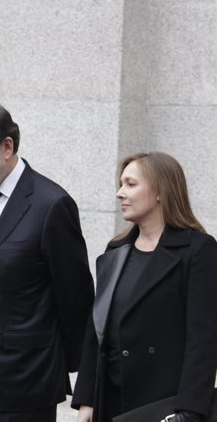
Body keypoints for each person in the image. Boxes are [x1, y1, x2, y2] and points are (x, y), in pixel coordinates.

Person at [0, 101, 94, 422]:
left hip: (24, 384)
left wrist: (80, 375)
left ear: (6, 146)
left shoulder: (52, 204)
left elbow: (75, 298)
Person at [72, 152, 217, 422]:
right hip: (111, 402)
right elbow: (97, 332)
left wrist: (189, 411)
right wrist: (86, 401)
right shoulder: (115, 251)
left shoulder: (197, 250)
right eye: (120, 184)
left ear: (161, 190)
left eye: (130, 184)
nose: (119, 193)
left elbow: (204, 341)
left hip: (165, 405)